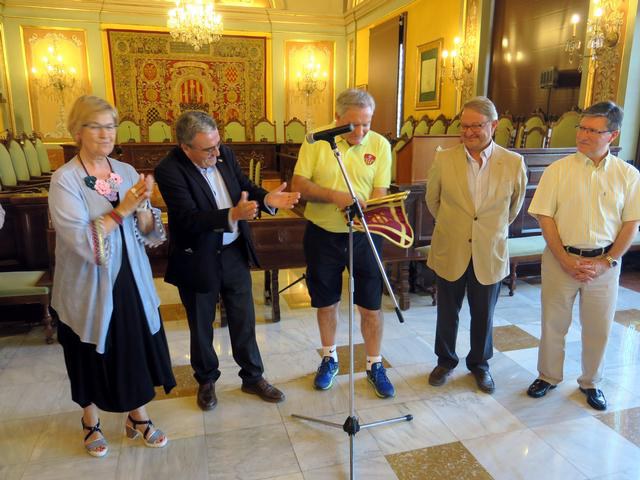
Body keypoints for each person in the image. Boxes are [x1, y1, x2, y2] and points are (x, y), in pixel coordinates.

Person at [48, 95, 175, 458]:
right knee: (87, 353)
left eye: (111, 126)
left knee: (131, 348)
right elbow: (80, 241)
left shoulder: (126, 171)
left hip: (131, 278)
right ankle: (90, 421)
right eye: (97, 126)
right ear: (78, 131)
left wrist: (146, 207)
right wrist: (124, 209)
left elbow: (148, 233)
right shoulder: (66, 179)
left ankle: (137, 416)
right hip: (88, 286)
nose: (106, 134)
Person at [154, 111, 300, 411]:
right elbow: (188, 219)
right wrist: (232, 214)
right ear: (185, 147)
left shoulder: (224, 154)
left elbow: (245, 187)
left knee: (244, 317)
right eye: (208, 149)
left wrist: (267, 200)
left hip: (233, 252)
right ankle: (206, 381)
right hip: (197, 257)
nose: (216, 153)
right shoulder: (169, 169)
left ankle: (253, 377)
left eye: (218, 144)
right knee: (201, 324)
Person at [526, 101, 640, 411]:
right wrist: (564, 258)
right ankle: (548, 376)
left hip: (605, 264)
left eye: (593, 130)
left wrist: (607, 262)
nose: (583, 135)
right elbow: (545, 217)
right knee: (553, 324)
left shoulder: (628, 175)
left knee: (598, 328)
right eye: (582, 128)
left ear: (612, 135)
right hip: (560, 260)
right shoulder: (558, 170)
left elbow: (631, 223)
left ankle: (591, 382)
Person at [291, 88, 395, 398]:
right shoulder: (316, 140)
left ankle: (374, 364)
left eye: (367, 124)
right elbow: (299, 185)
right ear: (337, 118)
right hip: (323, 234)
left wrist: (366, 209)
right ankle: (329, 358)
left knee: (371, 305)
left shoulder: (380, 145)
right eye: (353, 125)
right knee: (326, 302)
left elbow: (380, 190)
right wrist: (334, 196)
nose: (361, 132)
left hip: (365, 235)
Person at [426, 96, 527, 393]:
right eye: (464, 126)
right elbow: (433, 201)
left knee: (484, 313)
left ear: (493, 126)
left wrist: (486, 229)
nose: (469, 132)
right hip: (451, 247)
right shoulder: (444, 159)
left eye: (477, 126)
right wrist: (456, 226)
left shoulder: (513, 163)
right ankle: (445, 360)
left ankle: (480, 365)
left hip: (489, 249)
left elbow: (513, 207)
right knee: (447, 311)